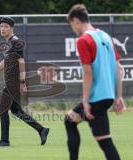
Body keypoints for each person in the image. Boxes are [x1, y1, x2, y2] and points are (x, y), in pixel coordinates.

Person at [64, 4, 126, 160]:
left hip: (96, 98)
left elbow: (88, 72)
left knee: (71, 122)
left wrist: (85, 101)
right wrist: (118, 96)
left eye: (72, 25)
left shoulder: (84, 40)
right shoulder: (105, 36)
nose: (73, 29)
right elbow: (119, 68)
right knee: (103, 139)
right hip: (108, 97)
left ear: (76, 21)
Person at [0, 16, 49, 147]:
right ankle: (42, 130)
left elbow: (21, 62)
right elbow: (6, 61)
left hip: (14, 81)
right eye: (1, 26)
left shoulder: (16, 42)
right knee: (16, 110)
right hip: (11, 80)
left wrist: (22, 82)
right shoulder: (9, 43)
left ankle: (4, 140)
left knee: (2, 108)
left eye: (5, 26)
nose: (2, 29)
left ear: (11, 28)